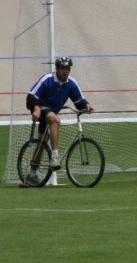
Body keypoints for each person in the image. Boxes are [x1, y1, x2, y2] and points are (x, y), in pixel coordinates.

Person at [25, 56, 94, 184]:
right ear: (57, 68)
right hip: (41, 108)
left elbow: (79, 101)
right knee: (56, 120)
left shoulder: (71, 83)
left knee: (42, 142)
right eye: (62, 68)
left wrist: (86, 105)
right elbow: (31, 96)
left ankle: (32, 173)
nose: (65, 71)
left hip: (51, 113)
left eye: (67, 68)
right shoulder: (47, 79)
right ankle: (55, 157)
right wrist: (36, 108)